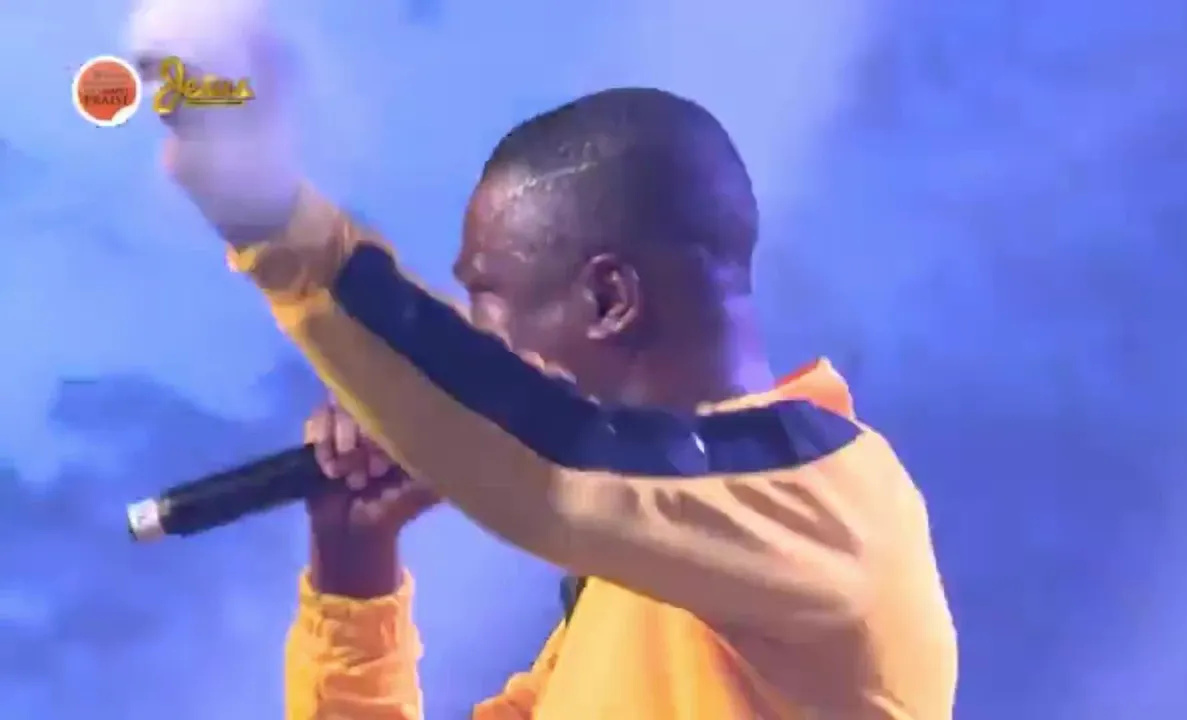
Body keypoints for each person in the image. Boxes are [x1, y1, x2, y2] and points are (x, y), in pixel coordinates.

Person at [130, 4, 958, 718]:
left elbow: (551, 458)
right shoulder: (641, 583)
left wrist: (276, 224)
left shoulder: (832, 508)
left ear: (608, 300)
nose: (474, 332)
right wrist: (354, 572)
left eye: (487, 294)